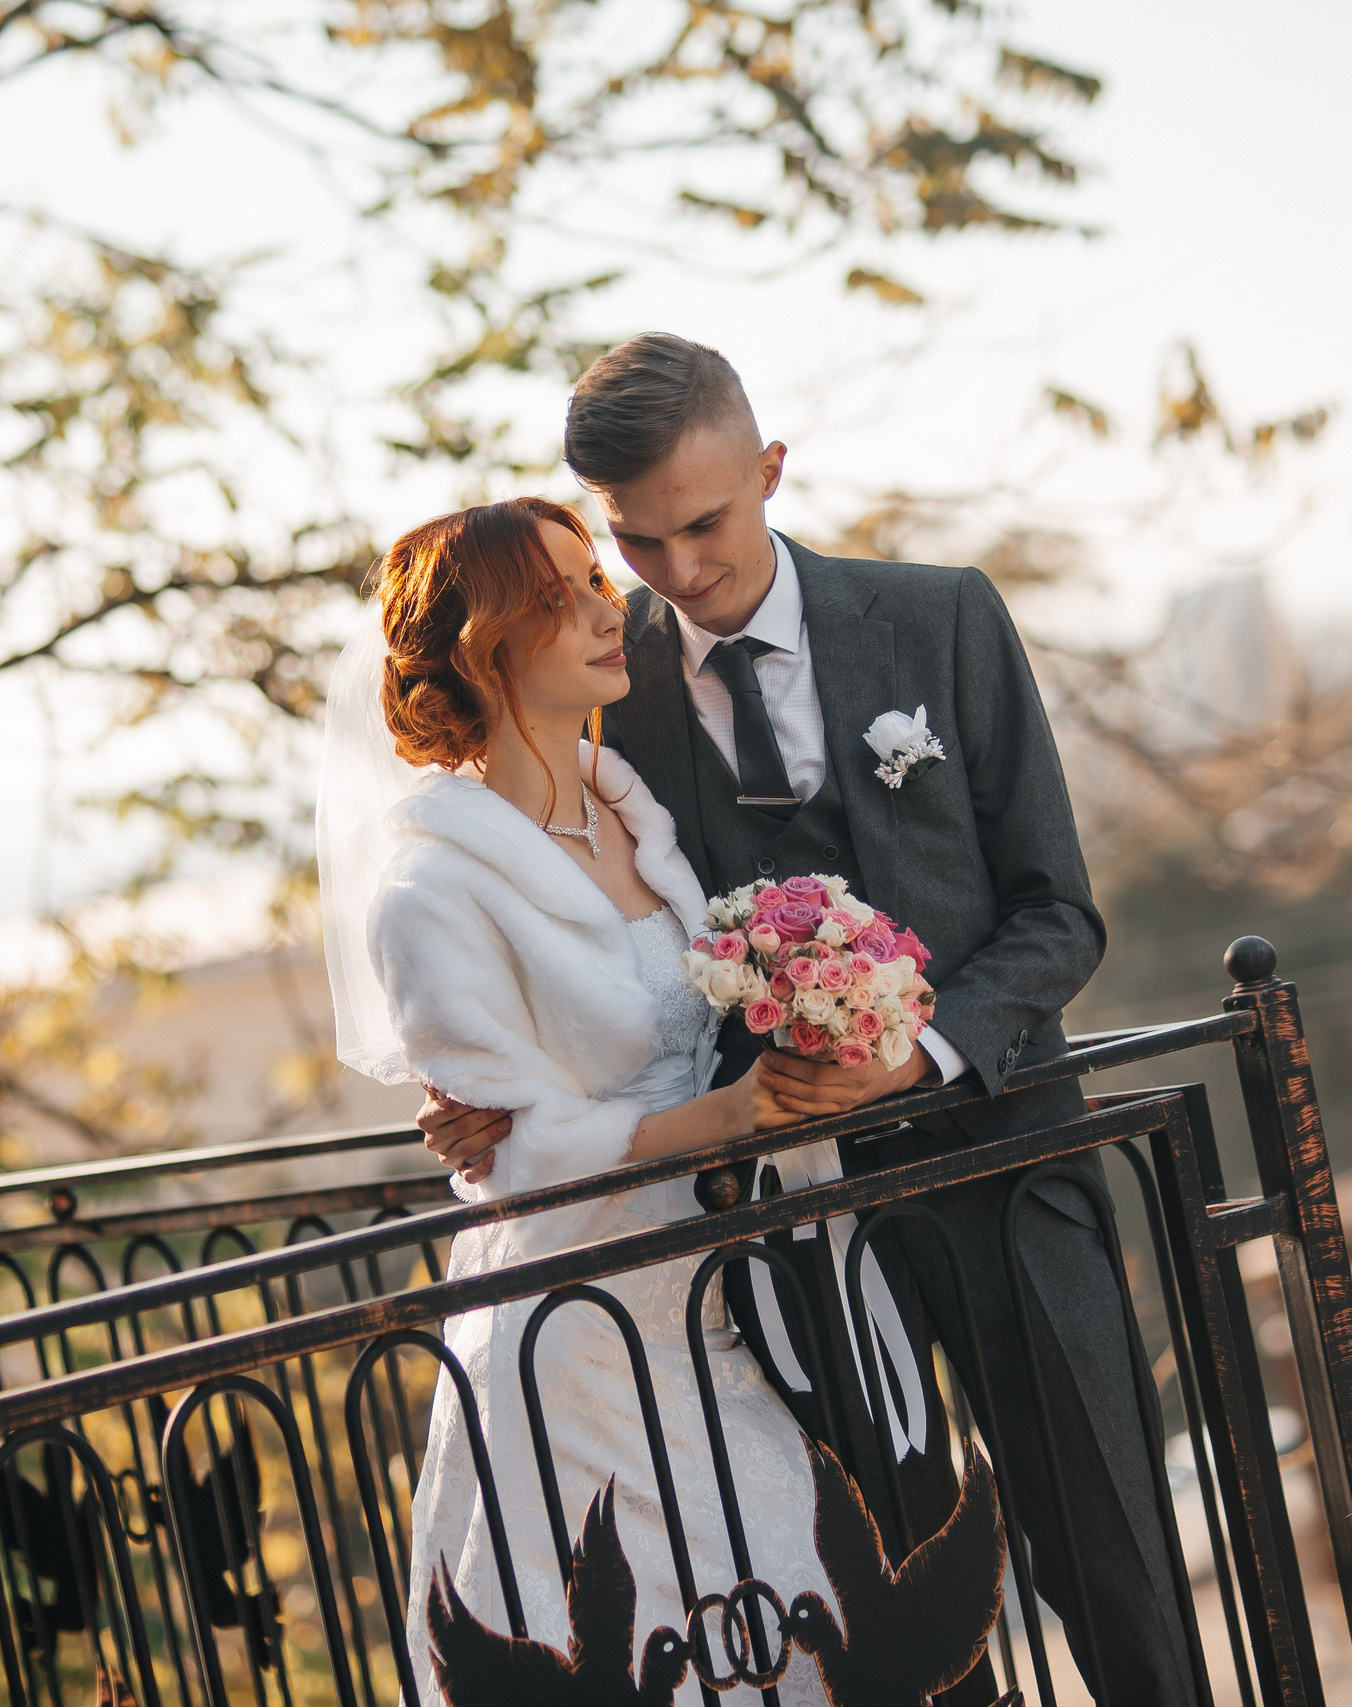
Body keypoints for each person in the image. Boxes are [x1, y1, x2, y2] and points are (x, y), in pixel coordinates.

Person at [415, 334, 1199, 1707]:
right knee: (889, 1610)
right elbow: (561, 898)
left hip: (1008, 1174)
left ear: (770, 470)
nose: (677, 570)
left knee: (1115, 1558)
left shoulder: (940, 617)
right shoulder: (600, 686)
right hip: (785, 1243)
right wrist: (479, 1083)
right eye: (635, 540)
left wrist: (922, 1051)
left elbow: (1058, 914)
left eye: (705, 523)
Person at [321, 496, 889, 1704]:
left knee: (802, 1630)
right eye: (561, 596)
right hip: (579, 1330)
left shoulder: (635, 808)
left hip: (725, 1299)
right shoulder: (428, 892)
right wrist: (725, 1119)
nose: (607, 607)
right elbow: (511, 1160)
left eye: (595, 578)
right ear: (484, 647)